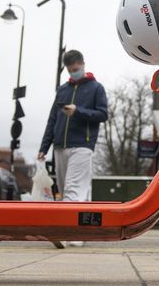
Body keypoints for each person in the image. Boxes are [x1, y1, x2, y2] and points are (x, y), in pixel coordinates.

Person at [38, 50, 108, 247]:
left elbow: (103, 114)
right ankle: (80, 233)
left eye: (76, 69)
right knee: (72, 191)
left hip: (82, 146)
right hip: (60, 146)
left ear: (83, 65)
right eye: (70, 70)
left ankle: (68, 231)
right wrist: (44, 147)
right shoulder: (62, 90)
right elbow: (53, 119)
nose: (73, 72)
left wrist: (78, 111)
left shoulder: (96, 88)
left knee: (72, 189)